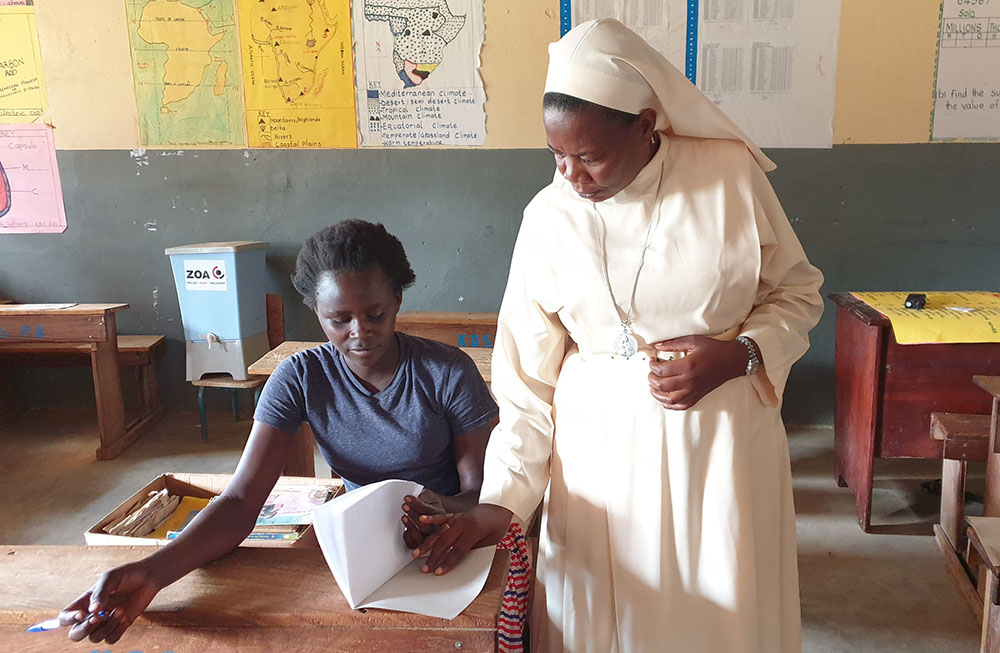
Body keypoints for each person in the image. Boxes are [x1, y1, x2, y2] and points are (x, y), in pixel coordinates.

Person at [412, 19, 824, 652]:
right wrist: (504, 500)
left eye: (591, 156)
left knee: (715, 613)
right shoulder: (549, 217)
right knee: (603, 615)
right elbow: (525, 380)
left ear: (646, 125)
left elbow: (795, 293)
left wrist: (742, 354)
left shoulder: (729, 178)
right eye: (558, 156)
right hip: (598, 461)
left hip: (716, 450)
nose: (573, 176)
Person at [59, 219, 498, 644]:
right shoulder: (301, 377)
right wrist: (154, 572)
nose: (359, 332)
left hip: (453, 538)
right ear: (315, 312)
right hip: (359, 546)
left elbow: (485, 491)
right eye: (339, 319)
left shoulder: (446, 372)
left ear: (397, 299)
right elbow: (239, 500)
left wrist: (439, 513)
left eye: (375, 314)